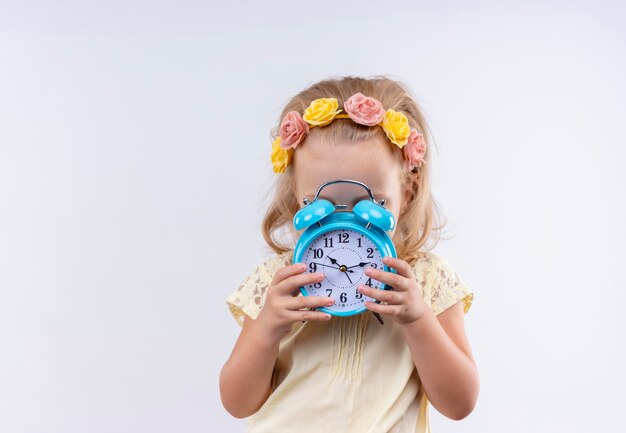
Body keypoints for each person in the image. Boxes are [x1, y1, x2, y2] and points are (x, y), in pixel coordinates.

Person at [219, 75, 479, 433]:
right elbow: (236, 403)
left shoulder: (426, 280)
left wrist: (418, 320)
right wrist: (267, 329)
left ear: (408, 190)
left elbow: (460, 403)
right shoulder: (276, 281)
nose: (344, 222)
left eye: (370, 203)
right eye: (322, 203)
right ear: (297, 195)